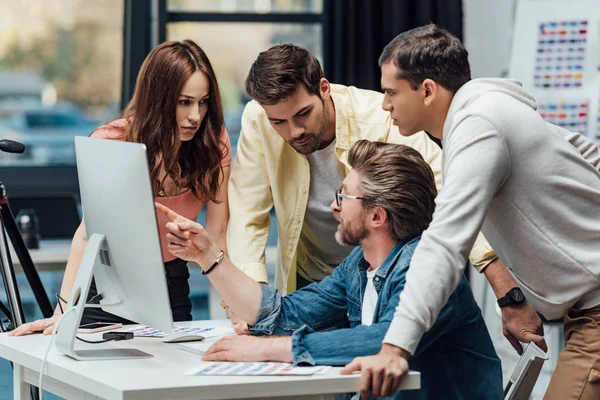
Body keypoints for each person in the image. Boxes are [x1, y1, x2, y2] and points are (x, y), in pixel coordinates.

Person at [226, 43, 545, 352]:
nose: (293, 131)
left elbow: (455, 196)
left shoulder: (380, 120)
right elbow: (246, 216)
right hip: (325, 284)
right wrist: (250, 303)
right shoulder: (257, 119)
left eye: (303, 114)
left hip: (388, 280)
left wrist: (508, 293)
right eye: (278, 122)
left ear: (324, 88)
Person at [342, 24, 600, 400]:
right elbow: (585, 152)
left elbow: (445, 243)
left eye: (391, 92)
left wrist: (395, 348)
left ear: (427, 90)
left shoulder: (477, 126)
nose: (385, 105)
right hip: (584, 314)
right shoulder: (490, 112)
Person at [157, 140, 503, 400]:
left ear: (377, 216)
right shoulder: (359, 265)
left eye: (344, 196)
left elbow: (384, 340)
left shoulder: (428, 269)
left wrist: (265, 349)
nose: (333, 205)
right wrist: (209, 258)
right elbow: (284, 313)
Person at [9, 39, 231, 336]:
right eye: (184, 102)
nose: (195, 116)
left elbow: (216, 234)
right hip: (107, 285)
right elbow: (88, 234)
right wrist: (61, 312)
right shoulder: (112, 141)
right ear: (158, 98)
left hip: (171, 281)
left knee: (172, 373)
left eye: (203, 102)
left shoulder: (212, 142)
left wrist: (234, 307)